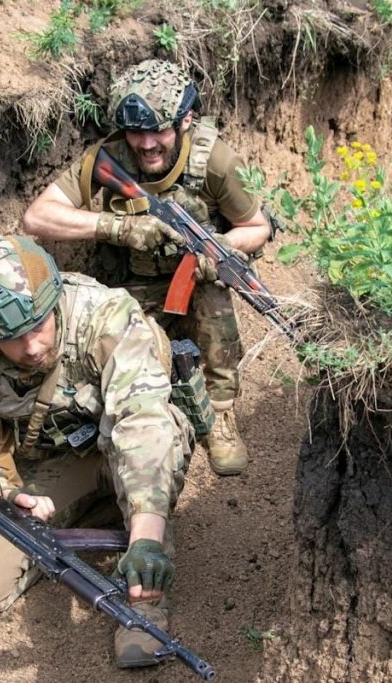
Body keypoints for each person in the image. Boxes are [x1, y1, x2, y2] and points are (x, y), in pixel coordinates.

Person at [0, 234, 196, 669]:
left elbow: (143, 423)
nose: (32, 347)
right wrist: (6, 494)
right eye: (12, 339)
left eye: (37, 326)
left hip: (131, 449)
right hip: (59, 464)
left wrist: (146, 539)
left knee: (157, 438)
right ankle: (97, 511)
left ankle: (143, 598)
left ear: (54, 301)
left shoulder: (106, 315)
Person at [22, 58, 271, 476]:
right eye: (136, 132)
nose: (147, 144)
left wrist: (220, 248)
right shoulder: (109, 157)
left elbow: (257, 227)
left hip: (192, 286)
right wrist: (119, 228)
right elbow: (37, 217)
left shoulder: (216, 161)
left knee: (217, 288)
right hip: (128, 288)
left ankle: (219, 412)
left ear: (185, 120)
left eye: (159, 130)